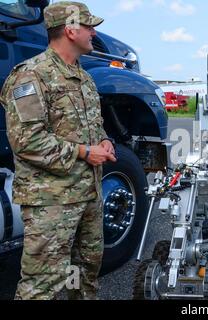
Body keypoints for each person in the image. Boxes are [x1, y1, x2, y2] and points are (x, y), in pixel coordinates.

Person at [0, 1, 116, 300]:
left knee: (83, 274)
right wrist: (83, 152)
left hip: (87, 197)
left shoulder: (85, 79)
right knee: (42, 285)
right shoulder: (30, 75)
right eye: (88, 26)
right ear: (70, 29)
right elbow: (27, 140)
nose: (93, 32)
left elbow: (94, 125)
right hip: (51, 203)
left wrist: (104, 142)